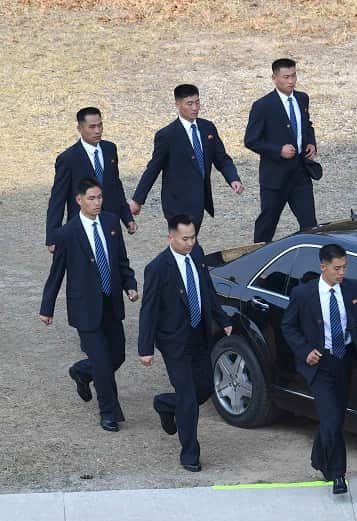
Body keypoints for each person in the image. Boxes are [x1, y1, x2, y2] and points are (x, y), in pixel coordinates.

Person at [39, 178, 139, 432]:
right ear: (79, 200)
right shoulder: (67, 234)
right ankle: (108, 413)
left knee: (117, 355)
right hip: (85, 308)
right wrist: (46, 308)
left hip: (111, 303)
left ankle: (83, 372)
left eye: (99, 198)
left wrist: (130, 284)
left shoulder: (109, 223)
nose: (97, 203)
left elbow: (121, 260)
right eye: (91, 198)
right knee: (103, 363)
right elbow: (56, 273)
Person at [138, 215, 233, 472]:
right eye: (185, 238)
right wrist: (145, 348)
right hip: (174, 342)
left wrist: (222, 319)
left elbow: (207, 291)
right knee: (189, 400)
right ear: (171, 238)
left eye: (193, 237)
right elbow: (148, 310)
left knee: (204, 389)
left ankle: (166, 404)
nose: (190, 243)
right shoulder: (157, 268)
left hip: (199, 335)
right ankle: (190, 453)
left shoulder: (197, 255)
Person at [281, 244, 357, 493]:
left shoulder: (353, 287)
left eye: (344, 267)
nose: (342, 272)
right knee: (332, 420)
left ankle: (318, 457)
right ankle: (338, 474)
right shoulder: (304, 294)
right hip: (319, 364)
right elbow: (289, 327)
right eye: (337, 268)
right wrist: (305, 351)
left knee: (333, 418)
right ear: (323, 267)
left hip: (344, 362)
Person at [131, 85, 244, 232]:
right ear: (178, 104)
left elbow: (221, 158)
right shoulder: (167, 135)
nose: (195, 108)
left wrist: (233, 178)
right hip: (177, 204)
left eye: (197, 102)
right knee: (186, 243)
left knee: (189, 243)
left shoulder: (207, 128)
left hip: (199, 201)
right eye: (189, 103)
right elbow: (153, 169)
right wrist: (137, 200)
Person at [244, 58, 318, 242]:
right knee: (267, 224)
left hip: (301, 174)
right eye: (286, 77)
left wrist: (311, 142)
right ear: (274, 78)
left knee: (310, 224)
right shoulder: (263, 106)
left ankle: (311, 263)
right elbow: (251, 140)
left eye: (293, 76)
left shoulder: (302, 98)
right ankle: (257, 259)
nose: (291, 81)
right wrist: (278, 150)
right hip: (275, 178)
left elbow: (306, 125)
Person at [45, 107, 137, 250]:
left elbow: (116, 187)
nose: (97, 130)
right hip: (82, 226)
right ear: (80, 128)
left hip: (110, 224)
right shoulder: (68, 159)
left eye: (100, 125)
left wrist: (127, 217)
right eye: (92, 127)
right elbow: (58, 198)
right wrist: (53, 236)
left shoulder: (110, 149)